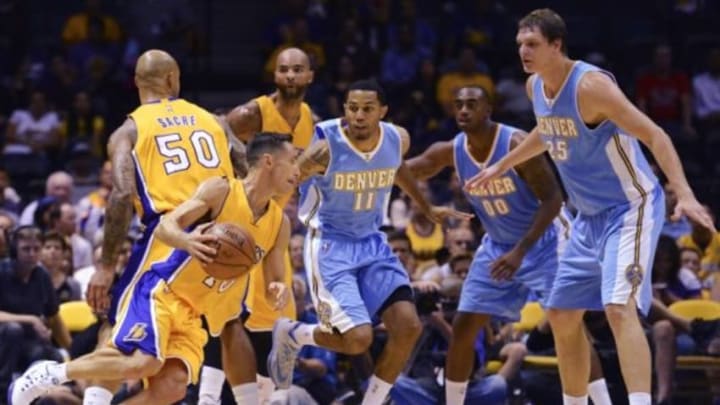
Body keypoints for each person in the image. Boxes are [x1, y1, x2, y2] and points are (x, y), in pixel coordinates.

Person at [464, 9, 716, 405]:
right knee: (562, 315)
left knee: (618, 308)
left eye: (532, 44)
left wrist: (682, 191)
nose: (523, 52)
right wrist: (501, 164)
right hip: (587, 217)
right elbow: (547, 132)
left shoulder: (591, 87)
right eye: (519, 45)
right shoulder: (534, 88)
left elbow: (656, 134)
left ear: (556, 45)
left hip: (629, 207)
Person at [14, 49, 236, 405]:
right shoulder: (214, 121)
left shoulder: (127, 131)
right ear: (173, 79)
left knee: (174, 382)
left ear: (136, 83)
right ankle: (55, 377)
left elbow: (120, 195)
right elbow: (244, 170)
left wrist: (105, 266)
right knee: (130, 347)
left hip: (195, 248)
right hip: (186, 241)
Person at [10, 133, 297, 405]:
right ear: (269, 161)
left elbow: (275, 278)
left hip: (196, 313)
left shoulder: (279, 223)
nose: (297, 170)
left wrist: (278, 289)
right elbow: (165, 226)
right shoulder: (221, 190)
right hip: (163, 291)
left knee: (172, 386)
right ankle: (50, 374)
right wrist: (187, 241)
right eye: (292, 160)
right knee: (143, 362)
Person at [267, 79, 471, 405]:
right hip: (330, 245)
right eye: (352, 108)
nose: (359, 115)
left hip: (372, 243)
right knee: (358, 340)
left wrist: (425, 205)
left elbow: (397, 168)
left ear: (382, 112)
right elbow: (286, 183)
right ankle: (294, 334)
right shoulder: (325, 148)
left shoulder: (395, 138)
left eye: (367, 109)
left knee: (407, 327)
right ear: (344, 110)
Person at [406, 85, 612, 405]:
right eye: (458, 104)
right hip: (499, 243)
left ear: (488, 109)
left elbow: (553, 200)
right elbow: (403, 171)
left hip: (548, 240)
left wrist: (521, 252)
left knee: (567, 326)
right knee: (463, 326)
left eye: (471, 104)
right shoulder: (449, 150)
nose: (463, 110)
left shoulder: (515, 144)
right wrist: (371, 154)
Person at [198, 47, 316, 404]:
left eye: (298, 70)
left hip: (272, 222)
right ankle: (207, 398)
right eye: (284, 70)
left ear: (310, 76)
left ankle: (265, 398)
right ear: (274, 76)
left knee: (274, 320)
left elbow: (308, 162)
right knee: (228, 315)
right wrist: (247, 177)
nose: (291, 76)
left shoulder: (311, 118)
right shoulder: (253, 113)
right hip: (239, 217)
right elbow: (216, 134)